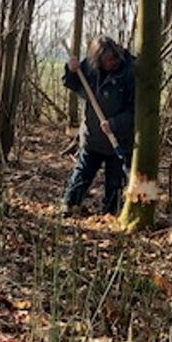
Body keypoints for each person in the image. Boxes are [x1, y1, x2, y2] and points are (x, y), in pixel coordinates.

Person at [61, 35, 135, 217]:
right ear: (99, 60)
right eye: (108, 60)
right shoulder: (90, 67)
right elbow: (72, 82)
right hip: (93, 137)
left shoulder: (130, 71)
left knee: (115, 184)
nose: (113, 62)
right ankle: (69, 207)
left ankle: (110, 215)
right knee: (82, 175)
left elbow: (137, 110)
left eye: (115, 57)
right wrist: (71, 71)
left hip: (119, 140)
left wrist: (115, 124)